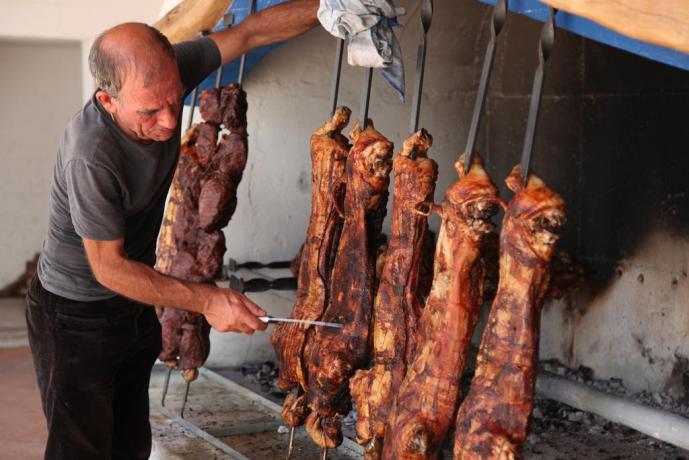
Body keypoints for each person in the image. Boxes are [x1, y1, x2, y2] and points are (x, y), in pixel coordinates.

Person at [25, 1, 318, 459]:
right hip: (74, 314)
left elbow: (249, 34)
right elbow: (108, 268)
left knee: (130, 444)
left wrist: (339, 7)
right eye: (149, 111)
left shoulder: (166, 71)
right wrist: (208, 300)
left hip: (132, 303)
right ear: (108, 101)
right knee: (80, 448)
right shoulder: (92, 154)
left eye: (173, 100)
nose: (167, 122)